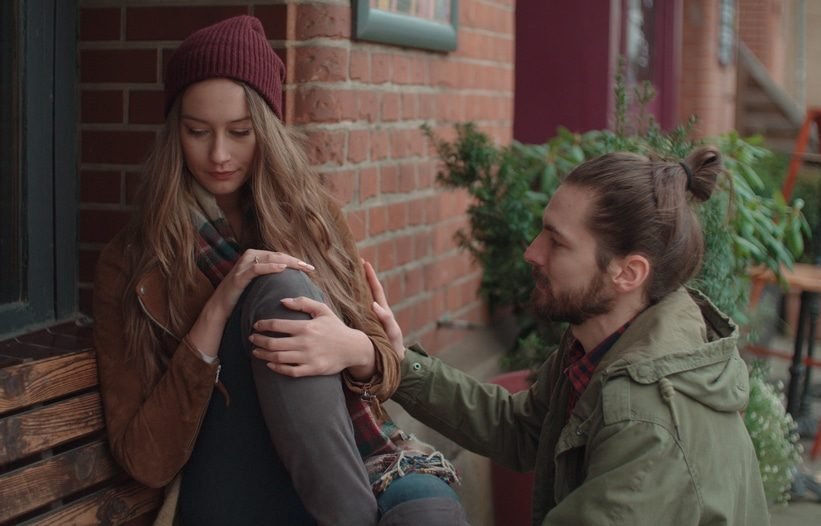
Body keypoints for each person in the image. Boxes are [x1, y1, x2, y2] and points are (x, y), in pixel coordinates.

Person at [256, 147, 771, 524]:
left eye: (556, 242)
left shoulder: (647, 420)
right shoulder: (608, 347)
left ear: (627, 273)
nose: (531, 251)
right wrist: (385, 360)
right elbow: (519, 428)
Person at [92, 15, 466, 526]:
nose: (219, 154)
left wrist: (359, 350)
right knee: (280, 287)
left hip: (350, 457)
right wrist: (220, 307)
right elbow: (145, 458)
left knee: (428, 515)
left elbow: (383, 374)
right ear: (174, 131)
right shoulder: (132, 263)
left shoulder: (314, 220)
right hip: (231, 479)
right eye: (197, 131)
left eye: (240, 132)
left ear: (266, 129)